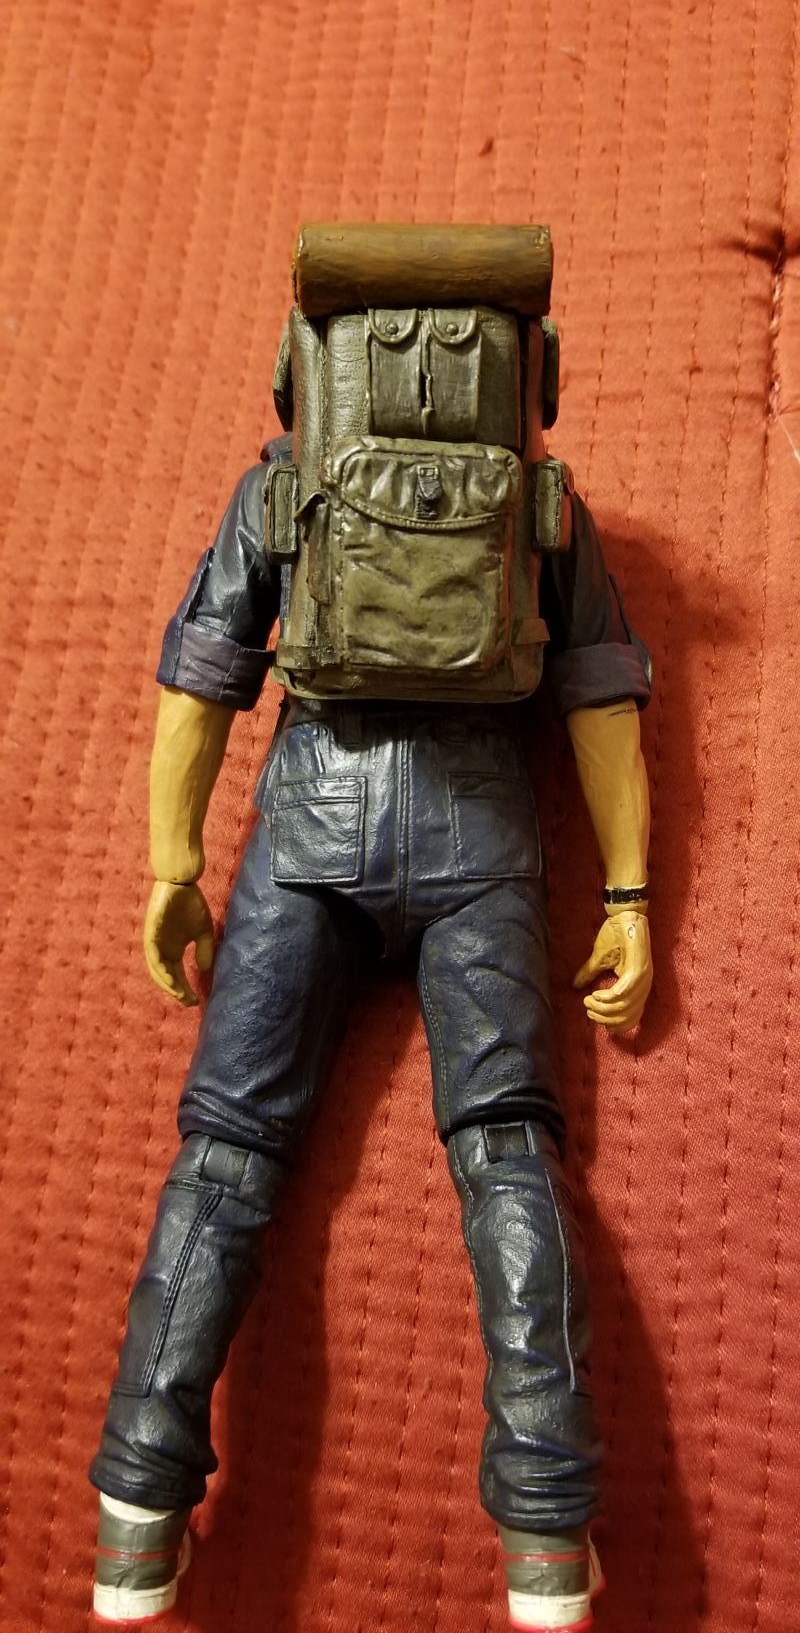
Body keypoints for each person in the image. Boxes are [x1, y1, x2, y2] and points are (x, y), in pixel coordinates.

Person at [89, 404, 653, 1631]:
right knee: (506, 1153)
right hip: (481, 833)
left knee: (228, 1154)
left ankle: (134, 1515)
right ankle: (546, 1535)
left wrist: (173, 864)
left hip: (308, 824)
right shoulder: (539, 496)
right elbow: (600, 693)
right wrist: (627, 894)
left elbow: (204, 672)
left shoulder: (282, 483)